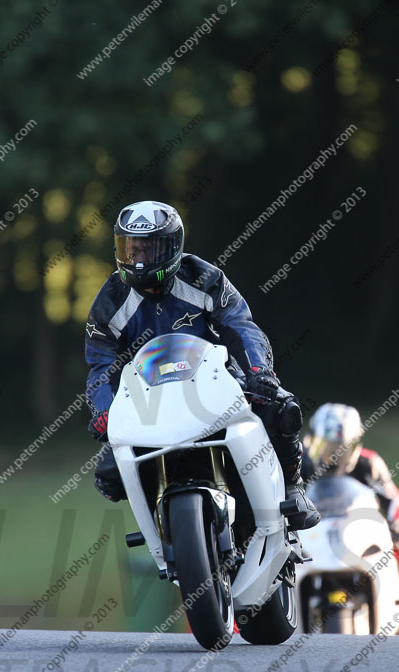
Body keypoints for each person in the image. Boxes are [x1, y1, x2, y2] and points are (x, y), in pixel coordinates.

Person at [85, 200, 320, 530]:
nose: (138, 261)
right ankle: (161, 531)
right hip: (147, 401)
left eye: (149, 250)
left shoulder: (204, 278)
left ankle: (293, 488)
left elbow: (239, 324)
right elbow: (101, 363)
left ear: (173, 246)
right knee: (109, 475)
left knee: (281, 407)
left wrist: (258, 372)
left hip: (216, 383)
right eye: (131, 249)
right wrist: (104, 412)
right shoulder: (109, 301)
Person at [305, 403, 399, 605]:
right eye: (324, 445)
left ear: (354, 445)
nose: (333, 455)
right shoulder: (298, 463)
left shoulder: (369, 463)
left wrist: (398, 525)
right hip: (310, 535)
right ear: (311, 440)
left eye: (341, 448)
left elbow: (396, 500)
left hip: (357, 534)